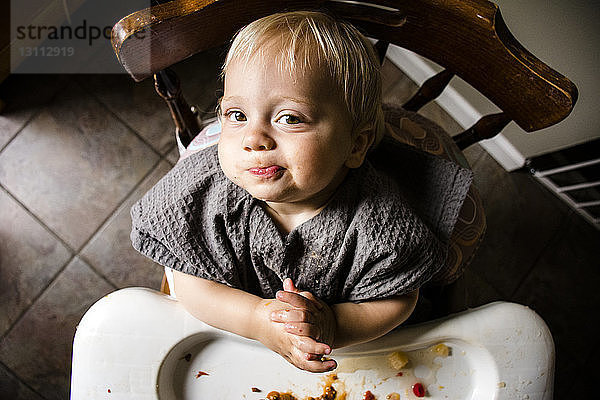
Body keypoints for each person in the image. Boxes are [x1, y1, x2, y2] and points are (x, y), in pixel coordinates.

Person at [130, 11, 471, 373]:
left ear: (355, 145)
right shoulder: (201, 193)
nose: (253, 139)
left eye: (289, 118)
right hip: (229, 342)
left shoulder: (381, 224)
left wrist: (336, 325)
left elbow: (399, 299)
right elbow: (185, 278)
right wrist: (256, 320)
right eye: (236, 114)